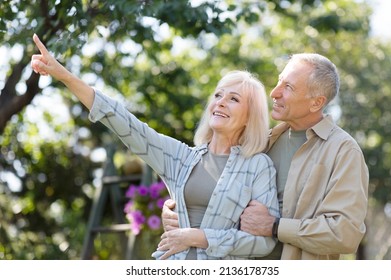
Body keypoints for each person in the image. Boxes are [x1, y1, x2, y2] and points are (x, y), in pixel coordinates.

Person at [31, 34, 280, 260]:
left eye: (233, 99)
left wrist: (198, 237)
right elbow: (124, 123)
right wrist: (64, 75)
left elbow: (263, 243)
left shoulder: (258, 166)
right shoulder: (182, 158)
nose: (221, 103)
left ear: (250, 116)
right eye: (218, 95)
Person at [162, 53, 369, 260]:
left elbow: (345, 234)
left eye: (288, 87)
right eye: (280, 81)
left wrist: (274, 226)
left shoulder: (343, 151)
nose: (274, 93)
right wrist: (176, 209)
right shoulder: (260, 142)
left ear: (316, 103)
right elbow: (214, 191)